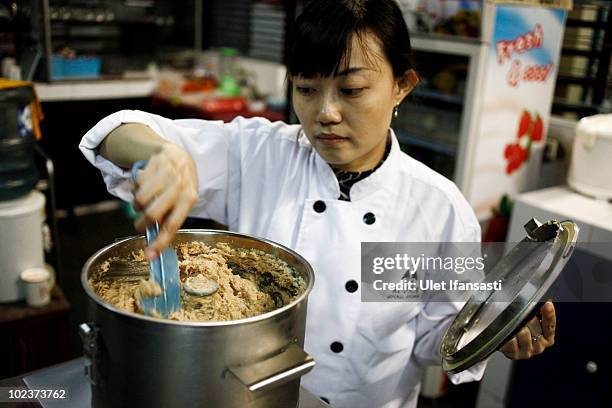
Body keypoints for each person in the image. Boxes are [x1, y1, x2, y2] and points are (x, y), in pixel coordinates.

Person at [79, 0, 556, 406]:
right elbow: (115, 135)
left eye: (351, 90)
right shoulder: (260, 154)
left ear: (402, 86)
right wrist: (161, 155)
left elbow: (437, 339)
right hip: (250, 398)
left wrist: (494, 333)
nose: (325, 114)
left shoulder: (437, 208)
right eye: (306, 89)